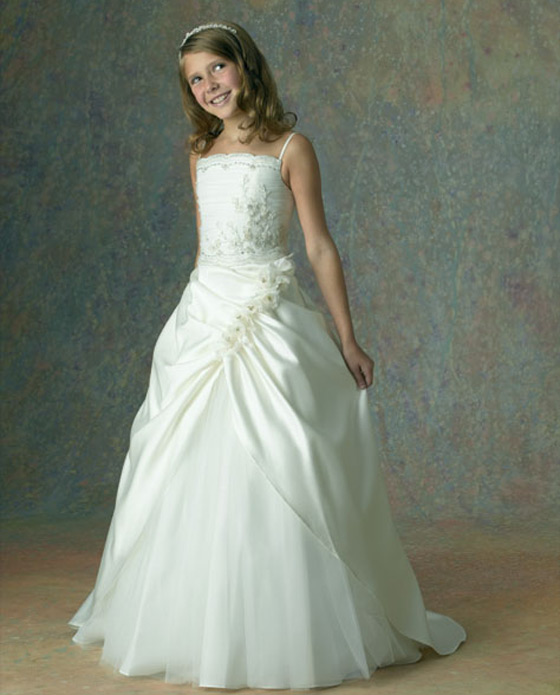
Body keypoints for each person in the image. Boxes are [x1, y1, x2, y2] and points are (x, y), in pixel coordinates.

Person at [69, 20, 466, 690]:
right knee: (181, 462)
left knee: (288, 453)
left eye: (216, 69)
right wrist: (195, 313)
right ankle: (194, 622)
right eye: (195, 80)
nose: (208, 86)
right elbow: (207, 247)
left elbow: (317, 245)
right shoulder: (199, 152)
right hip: (204, 314)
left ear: (245, 66)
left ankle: (292, 620)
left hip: (269, 314)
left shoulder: (291, 148)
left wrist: (346, 336)